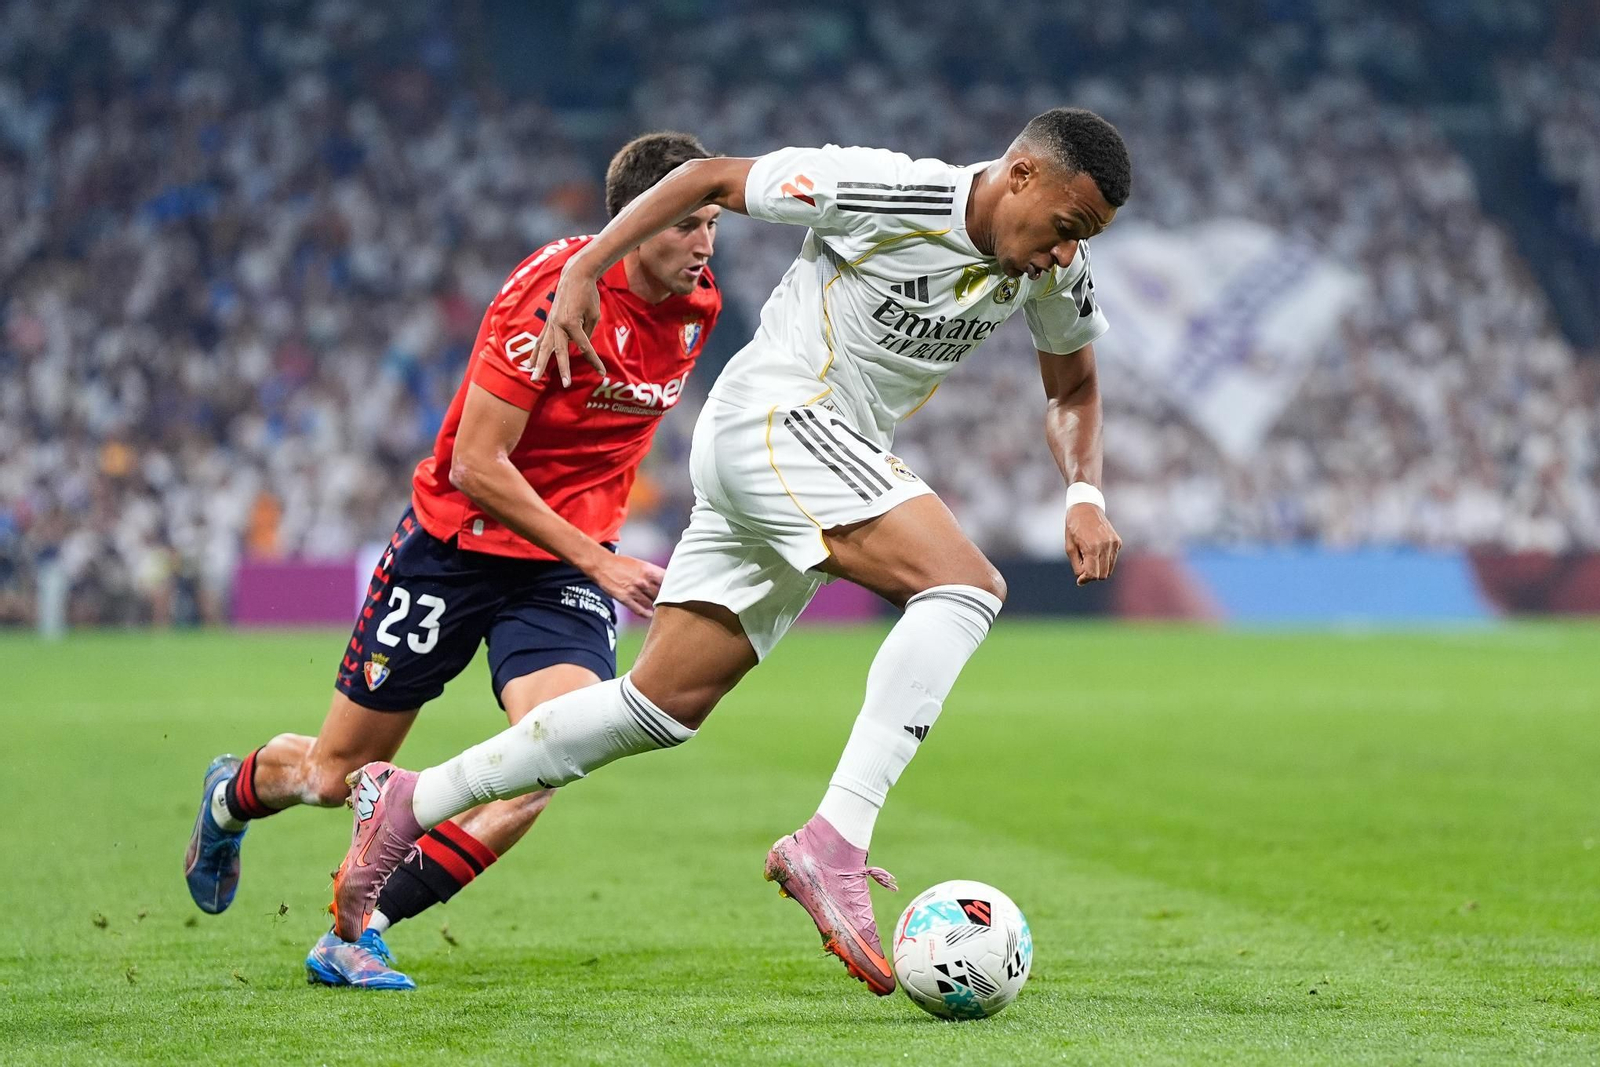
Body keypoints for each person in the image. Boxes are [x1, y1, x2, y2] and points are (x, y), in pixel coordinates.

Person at [330, 107, 1129, 996]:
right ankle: (836, 839)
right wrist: (589, 266)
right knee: (966, 587)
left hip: (815, 455)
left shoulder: (1058, 270)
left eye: (1082, 241)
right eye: (1065, 229)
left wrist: (1084, 491)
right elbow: (711, 178)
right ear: (1020, 175)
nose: (1065, 255)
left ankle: (411, 799)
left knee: (658, 705)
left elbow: (1075, 381)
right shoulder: (889, 190)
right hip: (778, 420)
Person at [183, 132, 724, 990]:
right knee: (334, 775)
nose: (703, 243)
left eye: (711, 221)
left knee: (552, 755)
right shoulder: (548, 293)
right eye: (682, 224)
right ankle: (232, 792)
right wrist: (603, 558)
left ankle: (361, 926)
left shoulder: (699, 308)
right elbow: (478, 463)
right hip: (454, 546)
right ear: (632, 221)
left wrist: (592, 554)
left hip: (558, 574)